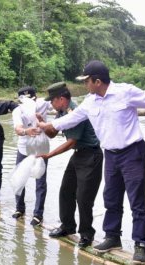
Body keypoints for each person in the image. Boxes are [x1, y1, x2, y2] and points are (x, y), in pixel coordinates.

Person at [37, 60, 145, 265]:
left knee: (136, 200)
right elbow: (71, 119)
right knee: (111, 197)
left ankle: (141, 244)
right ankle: (112, 237)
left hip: (132, 152)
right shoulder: (90, 101)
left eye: (87, 81)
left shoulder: (125, 92)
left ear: (98, 81)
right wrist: (47, 125)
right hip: (110, 154)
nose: (85, 85)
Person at [39, 82, 103, 248]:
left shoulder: (75, 113)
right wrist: (43, 124)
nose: (51, 104)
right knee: (65, 191)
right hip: (78, 155)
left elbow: (70, 142)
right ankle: (67, 226)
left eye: (52, 100)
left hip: (91, 156)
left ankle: (87, 234)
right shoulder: (61, 112)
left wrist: (49, 155)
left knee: (84, 198)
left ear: (61, 99)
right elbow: (53, 134)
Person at [11, 86, 52, 226]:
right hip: (23, 149)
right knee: (19, 179)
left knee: (40, 182)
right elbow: (17, 128)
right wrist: (26, 131)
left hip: (41, 149)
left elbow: (59, 105)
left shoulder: (43, 104)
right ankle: (19, 209)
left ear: (35, 98)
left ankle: (38, 214)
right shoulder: (17, 111)